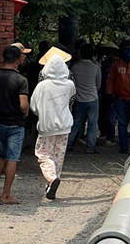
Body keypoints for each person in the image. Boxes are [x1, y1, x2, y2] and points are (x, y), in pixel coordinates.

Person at [30, 48, 76, 200]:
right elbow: (71, 101)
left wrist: (42, 114)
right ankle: (51, 185)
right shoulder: (69, 84)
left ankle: (51, 178)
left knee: (43, 154)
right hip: (65, 126)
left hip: (47, 126)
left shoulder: (42, 86)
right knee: (58, 155)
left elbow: (34, 106)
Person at [0, 43, 31, 205]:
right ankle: (5, 195)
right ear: (18, 59)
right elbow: (23, 105)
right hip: (15, 125)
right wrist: (25, 113)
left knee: (0, 156)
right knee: (12, 158)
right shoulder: (21, 80)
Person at [67, 44, 101, 154]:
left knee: (76, 122)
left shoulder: (75, 67)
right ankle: (90, 147)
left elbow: (72, 82)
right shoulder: (96, 67)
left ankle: (69, 143)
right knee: (92, 123)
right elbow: (98, 85)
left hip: (79, 98)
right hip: (92, 98)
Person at [97, 42, 119, 146]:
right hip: (103, 92)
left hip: (113, 92)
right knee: (103, 114)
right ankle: (104, 133)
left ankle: (111, 136)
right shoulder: (104, 63)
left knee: (111, 116)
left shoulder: (117, 64)